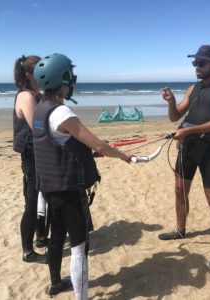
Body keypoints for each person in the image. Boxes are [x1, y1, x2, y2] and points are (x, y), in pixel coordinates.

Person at [32, 53, 133, 299]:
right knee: (79, 247)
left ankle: (55, 283)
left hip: (50, 186)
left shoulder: (40, 109)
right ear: (63, 79)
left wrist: (90, 150)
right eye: (69, 77)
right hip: (68, 187)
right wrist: (122, 155)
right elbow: (98, 145)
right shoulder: (62, 112)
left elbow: (62, 143)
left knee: (57, 236)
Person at [158, 45, 210, 268]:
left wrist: (188, 131)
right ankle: (180, 230)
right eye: (195, 63)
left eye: (201, 63)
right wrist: (171, 101)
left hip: (208, 149)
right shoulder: (193, 88)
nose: (197, 67)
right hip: (188, 147)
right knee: (179, 190)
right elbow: (175, 117)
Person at [13, 55, 49, 263]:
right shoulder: (27, 96)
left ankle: (42, 237)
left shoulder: (37, 94)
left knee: (44, 197)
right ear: (28, 74)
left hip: (40, 153)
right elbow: (38, 128)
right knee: (32, 202)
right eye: (39, 70)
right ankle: (28, 251)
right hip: (32, 156)